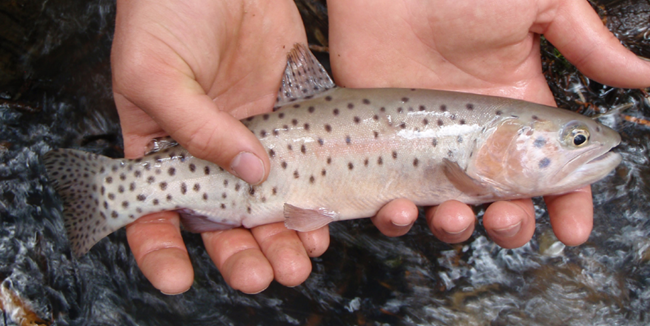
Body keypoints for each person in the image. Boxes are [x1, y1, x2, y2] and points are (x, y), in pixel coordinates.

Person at [111, 0, 650, 295]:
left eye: (576, 140)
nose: (587, 147)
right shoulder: (472, 165)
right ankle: (117, 191)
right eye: (576, 140)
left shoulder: (476, 156)